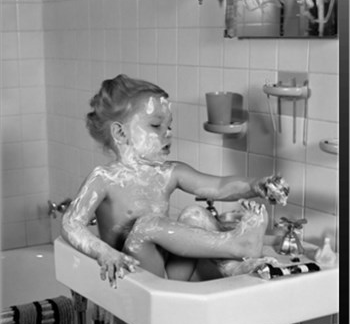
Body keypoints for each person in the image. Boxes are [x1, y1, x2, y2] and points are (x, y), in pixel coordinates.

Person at [61, 74, 289, 288]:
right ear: (121, 134)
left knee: (195, 214)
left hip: (171, 274)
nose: (168, 133)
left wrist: (256, 185)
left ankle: (234, 264)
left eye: (169, 126)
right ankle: (236, 245)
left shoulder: (169, 172)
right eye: (156, 125)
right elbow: (71, 223)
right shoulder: (104, 178)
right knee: (146, 225)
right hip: (137, 275)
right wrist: (105, 252)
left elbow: (218, 187)